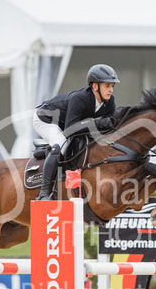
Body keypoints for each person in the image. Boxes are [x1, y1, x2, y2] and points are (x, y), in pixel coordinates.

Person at [33, 64, 119, 200]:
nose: (111, 90)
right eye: (107, 86)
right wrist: (96, 124)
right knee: (60, 145)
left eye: (112, 86)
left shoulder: (109, 101)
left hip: (65, 122)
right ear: (95, 86)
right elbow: (70, 130)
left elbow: (110, 125)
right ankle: (44, 192)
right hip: (45, 119)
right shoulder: (79, 99)